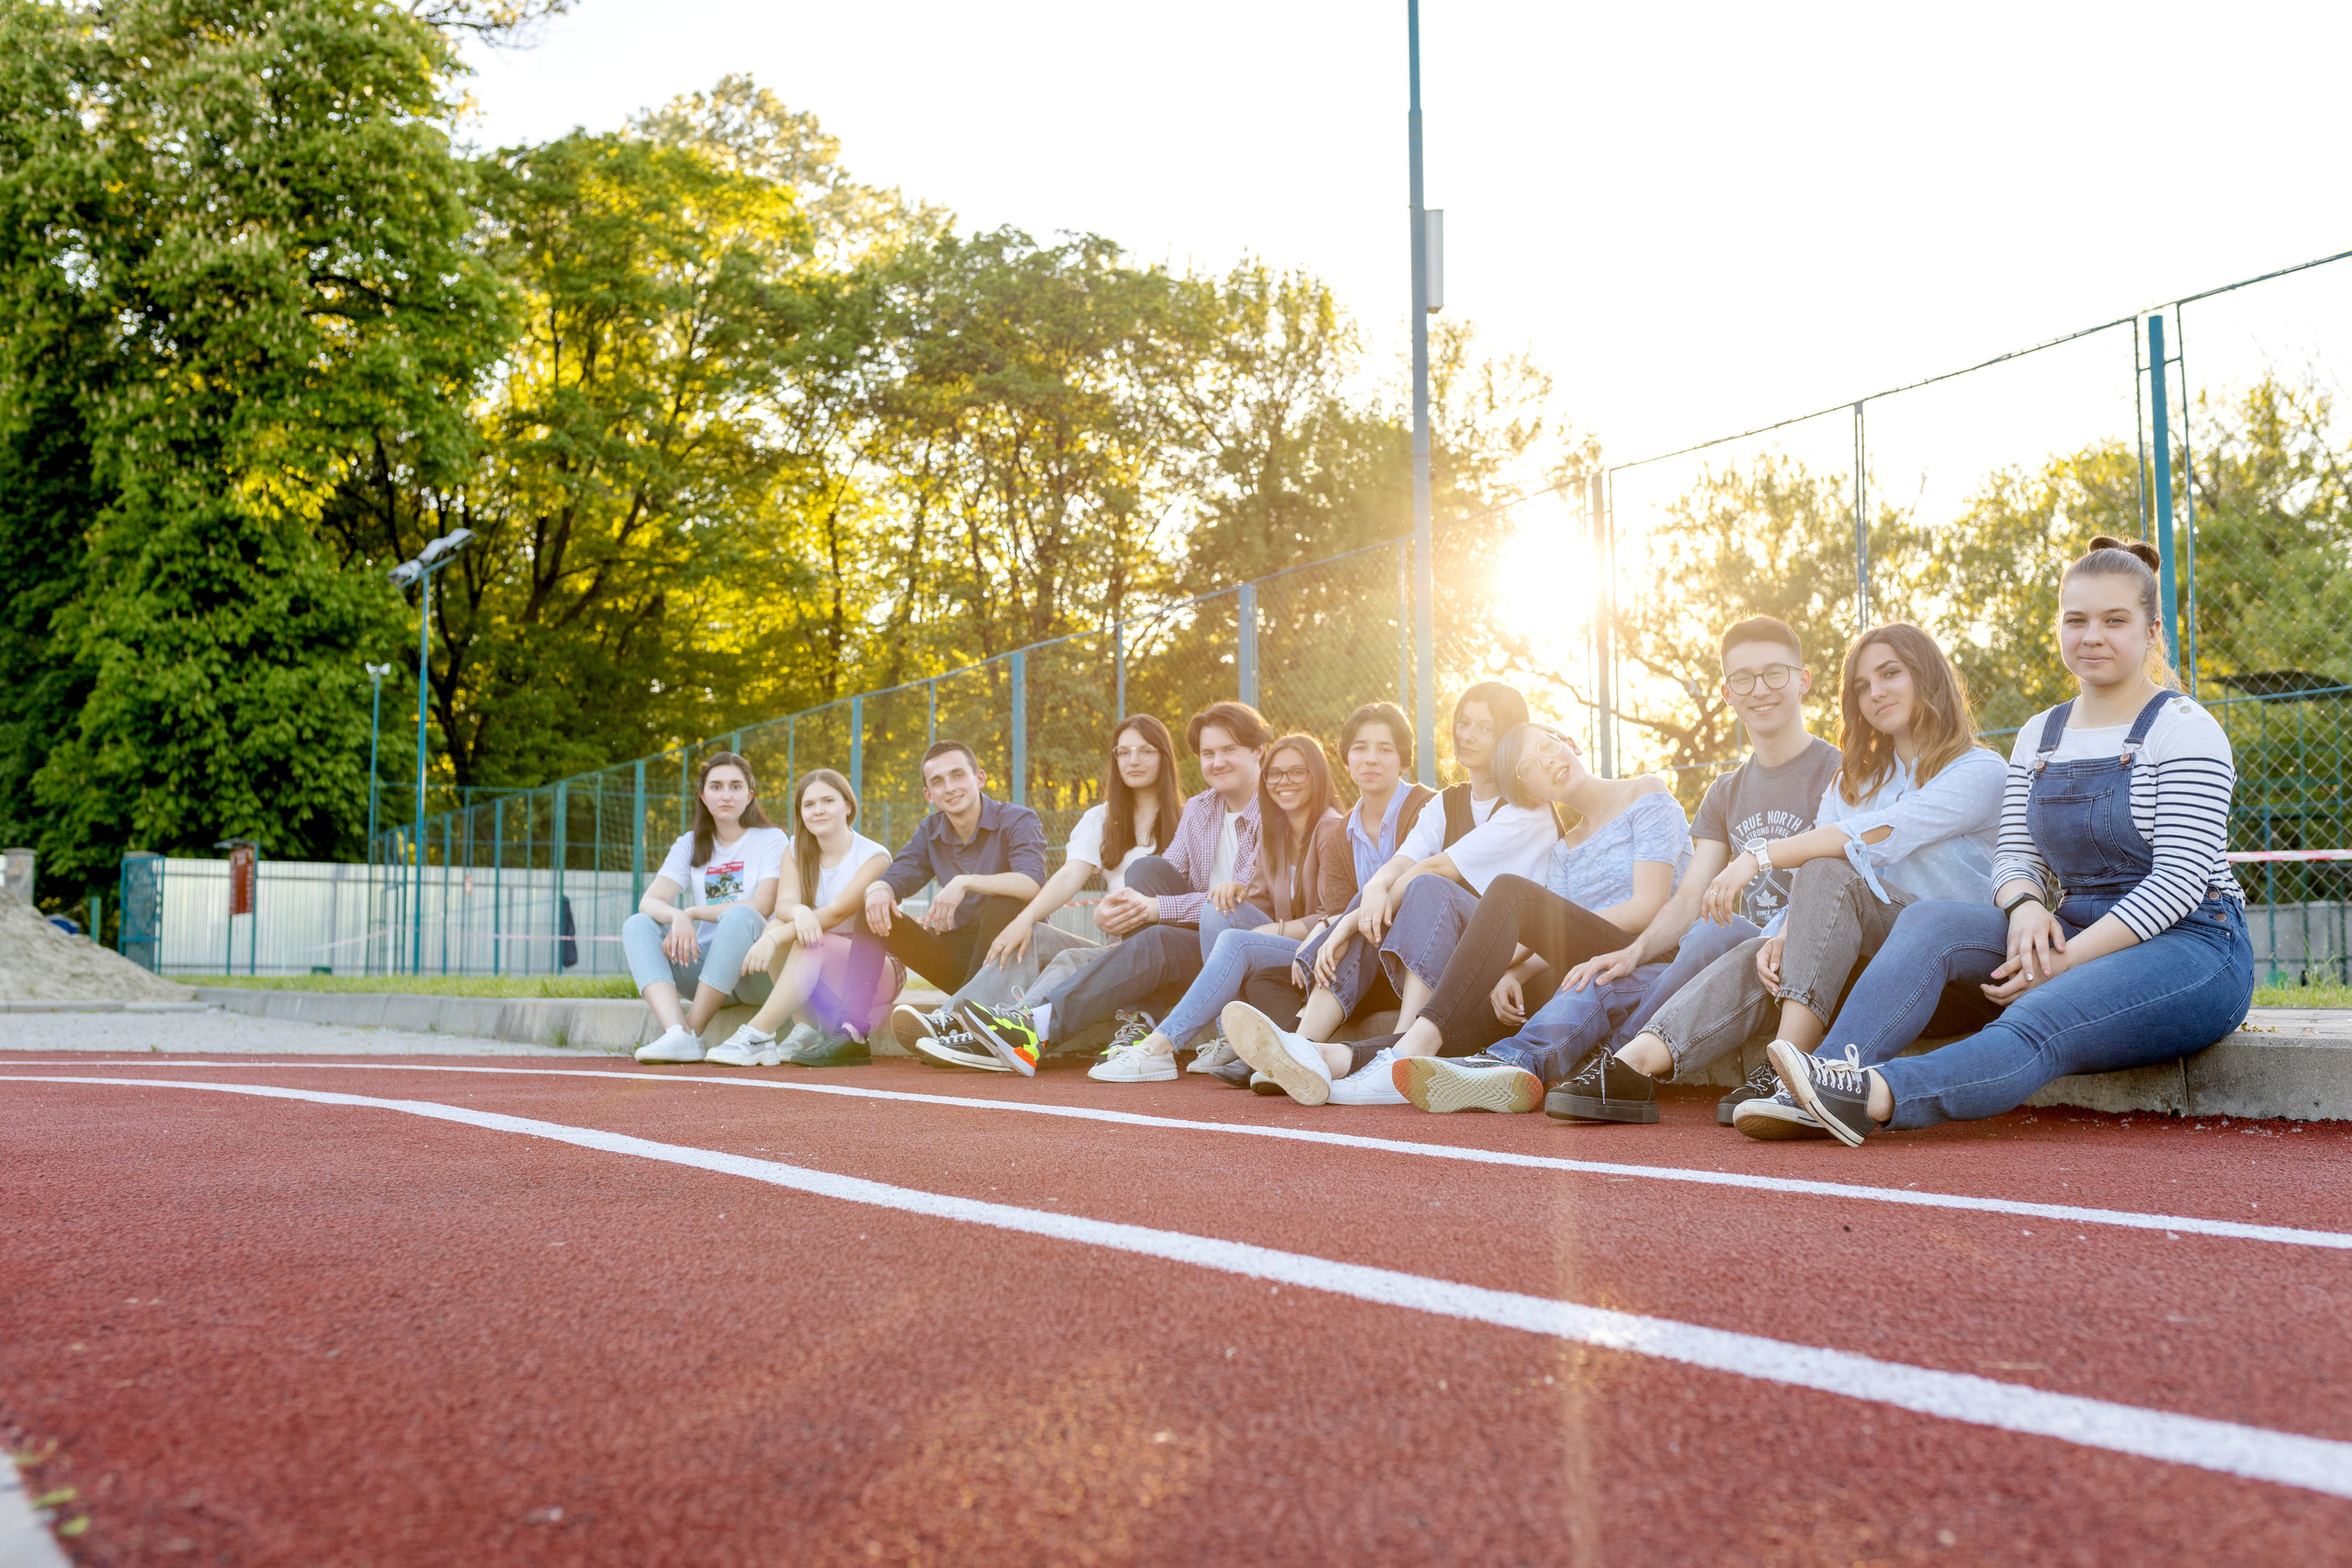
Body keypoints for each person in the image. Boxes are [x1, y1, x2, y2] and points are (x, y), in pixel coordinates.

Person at [1753, 538, 2253, 1145]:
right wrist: (2025, 906)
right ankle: (1824, 1072)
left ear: (2150, 631)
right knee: (1931, 922)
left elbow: (2176, 883)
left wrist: (2065, 961)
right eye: (2077, 620)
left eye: (2114, 620)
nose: (2092, 635)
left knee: (2041, 1015)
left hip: (2192, 942)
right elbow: (2016, 854)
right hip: (2070, 920)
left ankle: (1873, 1095)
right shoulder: (2040, 734)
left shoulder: (2187, 730)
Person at [1556, 622, 2005, 1124]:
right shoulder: (1853, 782)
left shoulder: (1980, 771)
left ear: (1928, 677)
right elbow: (1825, 885)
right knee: (1761, 947)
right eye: (1862, 685)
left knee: (1828, 866)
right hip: (1878, 967)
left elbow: (1879, 833)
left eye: (1890, 674)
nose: (1875, 692)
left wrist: (1758, 855)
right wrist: (1784, 936)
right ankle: (1633, 1066)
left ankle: (1791, 1070)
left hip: (1960, 975)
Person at [1544, 617, 1842, 1122]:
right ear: (1726, 693)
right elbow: (1688, 897)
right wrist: (1633, 951)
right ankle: (1625, 1061)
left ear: (1803, 679)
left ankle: (1623, 1059)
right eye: (1743, 679)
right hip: (1756, 963)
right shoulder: (1725, 791)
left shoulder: (1839, 769)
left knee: (1747, 933)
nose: (1760, 689)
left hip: (1818, 956)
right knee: (1709, 929)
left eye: (1775, 673)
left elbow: (1843, 879)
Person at [1225, 721, 1603, 1105]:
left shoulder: (1527, 812)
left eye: (1485, 726)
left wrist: (1343, 924)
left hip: (1489, 964)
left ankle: (1390, 1047)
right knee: (1367, 903)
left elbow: (1435, 870)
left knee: (1424, 888)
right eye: (1462, 724)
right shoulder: (1443, 803)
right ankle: (1303, 1043)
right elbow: (1402, 863)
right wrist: (1369, 894)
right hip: (1439, 956)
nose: (1467, 735)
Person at [956, 701, 1273, 1081]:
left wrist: (1155, 908)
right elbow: (1160, 875)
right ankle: (1028, 1028)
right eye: (1208, 753)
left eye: (1229, 750)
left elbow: (1237, 905)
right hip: (1202, 950)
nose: (1217, 762)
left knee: (1171, 920)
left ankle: (1047, 1025)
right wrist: (1120, 908)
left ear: (1258, 752)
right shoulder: (1202, 808)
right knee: (1144, 870)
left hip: (1256, 948)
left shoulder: (1275, 809)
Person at [897, 715, 1182, 1070]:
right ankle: (961, 1020)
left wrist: (1152, 909)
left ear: (1165, 757)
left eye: (1145, 751)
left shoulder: (1192, 819)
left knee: (1073, 955)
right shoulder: (1102, 819)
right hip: (1117, 953)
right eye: (1123, 753)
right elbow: (1067, 877)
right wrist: (1025, 919)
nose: (1133, 760)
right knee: (1032, 935)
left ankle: (1009, 1033)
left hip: (1171, 958)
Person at [1194, 700, 1430, 1082]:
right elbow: (1334, 911)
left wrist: (1334, 928)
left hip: (1417, 959)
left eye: (1384, 749)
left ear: (1403, 759)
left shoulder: (1426, 808)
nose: (1371, 759)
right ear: (1346, 760)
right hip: (1367, 960)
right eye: (1360, 748)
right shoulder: (1344, 834)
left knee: (1358, 913)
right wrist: (1319, 939)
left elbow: (1425, 892)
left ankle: (1286, 1051)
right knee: (1268, 978)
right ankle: (1283, 1049)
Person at [1114, 733, 1353, 1072]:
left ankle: (1164, 1044)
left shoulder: (1331, 829)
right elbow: (1256, 897)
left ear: (1317, 775)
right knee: (1217, 905)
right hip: (1285, 946)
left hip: (1323, 950)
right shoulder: (1277, 834)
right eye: (1275, 774)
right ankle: (1225, 1033)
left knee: (1234, 941)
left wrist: (1274, 928)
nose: (1284, 782)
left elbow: (1336, 917)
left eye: (1297, 772)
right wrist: (1234, 891)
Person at [704, 769, 893, 1067]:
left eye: (827, 801)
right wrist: (800, 912)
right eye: (809, 804)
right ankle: (805, 1029)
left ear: (848, 805)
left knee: (800, 937)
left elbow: (837, 912)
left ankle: (758, 1033)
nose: (818, 810)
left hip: (872, 971)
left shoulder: (874, 856)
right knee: (783, 924)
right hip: (822, 968)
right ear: (801, 812)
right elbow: (785, 905)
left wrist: (771, 939)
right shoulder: (795, 849)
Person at [625, 752, 788, 1064]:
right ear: (703, 795)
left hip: (756, 972)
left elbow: (762, 904)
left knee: (740, 915)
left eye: (736, 786)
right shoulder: (689, 844)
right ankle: (675, 1033)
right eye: (716, 786)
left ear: (750, 795)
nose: (726, 794)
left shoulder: (771, 839)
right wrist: (676, 916)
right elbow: (650, 901)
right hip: (706, 972)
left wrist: (692, 913)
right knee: (637, 924)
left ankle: (692, 1033)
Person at [864, 739, 1047, 999]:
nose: (949, 788)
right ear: (929, 795)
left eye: (958, 775)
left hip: (1017, 962)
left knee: (1005, 901)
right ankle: (851, 1029)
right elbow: (895, 877)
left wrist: (965, 881)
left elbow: (1032, 883)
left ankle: (964, 1010)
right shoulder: (929, 831)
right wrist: (878, 890)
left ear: (979, 778)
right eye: (938, 782)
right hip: (961, 962)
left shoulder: (1017, 819)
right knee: (872, 908)